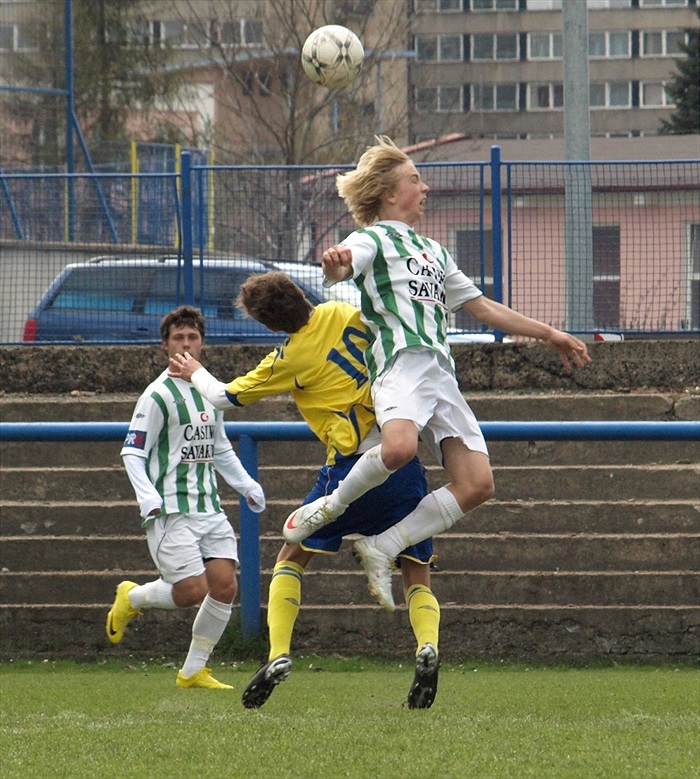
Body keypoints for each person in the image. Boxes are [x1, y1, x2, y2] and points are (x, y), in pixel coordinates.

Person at [284, 135, 592, 612]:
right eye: (415, 179)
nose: (424, 188)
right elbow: (346, 262)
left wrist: (549, 333)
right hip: (400, 364)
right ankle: (331, 506)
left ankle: (383, 545)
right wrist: (336, 265)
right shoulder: (372, 238)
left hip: (439, 374)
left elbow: (483, 307)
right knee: (400, 448)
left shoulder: (433, 250)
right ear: (389, 193)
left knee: (478, 485)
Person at [168, 272, 441, 710]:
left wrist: (196, 370)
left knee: (291, 557)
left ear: (271, 326)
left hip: (351, 465)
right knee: (414, 569)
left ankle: (278, 653)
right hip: (399, 451)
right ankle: (426, 645)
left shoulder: (288, 357)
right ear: (301, 294)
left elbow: (223, 398)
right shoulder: (342, 312)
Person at [107, 305, 266, 689]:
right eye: (178, 337)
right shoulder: (157, 395)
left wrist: (246, 484)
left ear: (202, 343)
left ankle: (193, 671)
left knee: (225, 586)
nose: (186, 343)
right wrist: (147, 498)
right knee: (192, 590)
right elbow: (133, 452)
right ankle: (134, 597)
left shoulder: (210, 389)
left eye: (192, 337)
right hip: (170, 510)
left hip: (208, 506)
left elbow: (220, 448)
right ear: (165, 345)